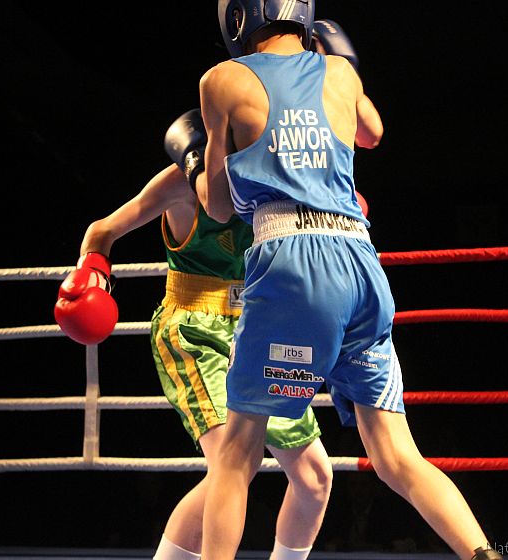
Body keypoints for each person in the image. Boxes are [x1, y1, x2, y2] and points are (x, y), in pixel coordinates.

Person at [188, 2, 503, 558]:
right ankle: (485, 554)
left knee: (236, 453)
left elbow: (215, 207)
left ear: (237, 19)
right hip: (359, 263)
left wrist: (200, 165)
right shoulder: (339, 71)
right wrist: (342, 65)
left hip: (291, 267)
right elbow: (373, 133)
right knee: (397, 456)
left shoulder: (222, 80)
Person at [54, 113, 332, 560]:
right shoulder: (180, 184)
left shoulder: (276, 178)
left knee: (315, 477)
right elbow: (102, 231)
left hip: (259, 326)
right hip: (194, 327)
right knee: (232, 464)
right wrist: (93, 275)